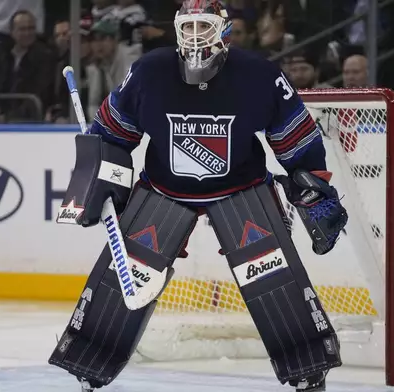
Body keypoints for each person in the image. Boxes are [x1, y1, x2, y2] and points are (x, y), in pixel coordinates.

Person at [48, 1, 348, 392]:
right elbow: (111, 134)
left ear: (224, 30)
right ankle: (88, 362)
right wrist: (100, 177)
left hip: (241, 188)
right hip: (165, 189)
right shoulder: (149, 71)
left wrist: (312, 188)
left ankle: (308, 369)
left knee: (273, 278)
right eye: (186, 27)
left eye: (202, 25)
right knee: (126, 280)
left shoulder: (258, 75)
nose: (194, 35)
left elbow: (297, 139)